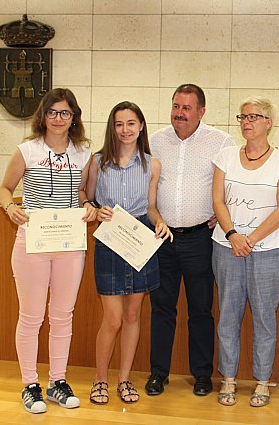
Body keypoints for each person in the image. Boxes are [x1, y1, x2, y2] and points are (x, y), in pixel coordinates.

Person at [0, 88, 98, 414]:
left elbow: (85, 193)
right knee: (31, 317)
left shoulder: (84, 154)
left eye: (65, 113)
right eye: (53, 112)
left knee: (62, 316)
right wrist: (9, 207)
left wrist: (89, 207)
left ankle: (57, 381)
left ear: (74, 118)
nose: (58, 118)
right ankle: (30, 384)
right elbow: (5, 189)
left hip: (69, 245)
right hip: (32, 242)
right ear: (43, 116)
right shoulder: (27, 151)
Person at [146, 84, 234, 396]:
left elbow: (233, 184)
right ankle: (158, 374)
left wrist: (221, 213)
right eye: (176, 106)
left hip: (201, 238)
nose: (179, 113)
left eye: (186, 108)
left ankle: (201, 375)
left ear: (201, 112)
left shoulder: (222, 142)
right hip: (162, 237)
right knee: (161, 309)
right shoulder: (155, 141)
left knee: (201, 310)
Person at [212, 97, 279, 407]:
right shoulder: (225, 157)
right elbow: (218, 202)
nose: (247, 121)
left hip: (268, 251)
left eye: (255, 116)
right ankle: (229, 379)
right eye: (243, 116)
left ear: (268, 123)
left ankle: (262, 381)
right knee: (228, 315)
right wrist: (234, 235)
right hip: (226, 247)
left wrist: (250, 239)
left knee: (264, 317)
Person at [85, 101, 173, 405]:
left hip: (139, 239)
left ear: (141, 126)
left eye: (131, 123)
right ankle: (100, 380)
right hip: (110, 239)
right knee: (112, 318)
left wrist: (160, 223)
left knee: (134, 314)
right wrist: (93, 209)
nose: (125, 130)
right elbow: (86, 195)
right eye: (119, 124)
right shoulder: (98, 162)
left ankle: (123, 380)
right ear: (112, 127)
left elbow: (150, 208)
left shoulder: (152, 164)